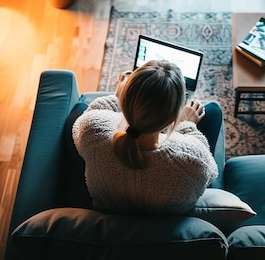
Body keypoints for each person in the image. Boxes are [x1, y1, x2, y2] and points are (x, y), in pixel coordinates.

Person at [72, 60, 224, 215]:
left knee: (79, 108)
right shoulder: (192, 159)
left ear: (124, 102)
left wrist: (118, 94)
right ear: (173, 118)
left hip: (109, 212)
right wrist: (186, 124)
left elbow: (92, 113)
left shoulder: (92, 132)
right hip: (163, 223)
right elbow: (211, 172)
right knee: (213, 110)